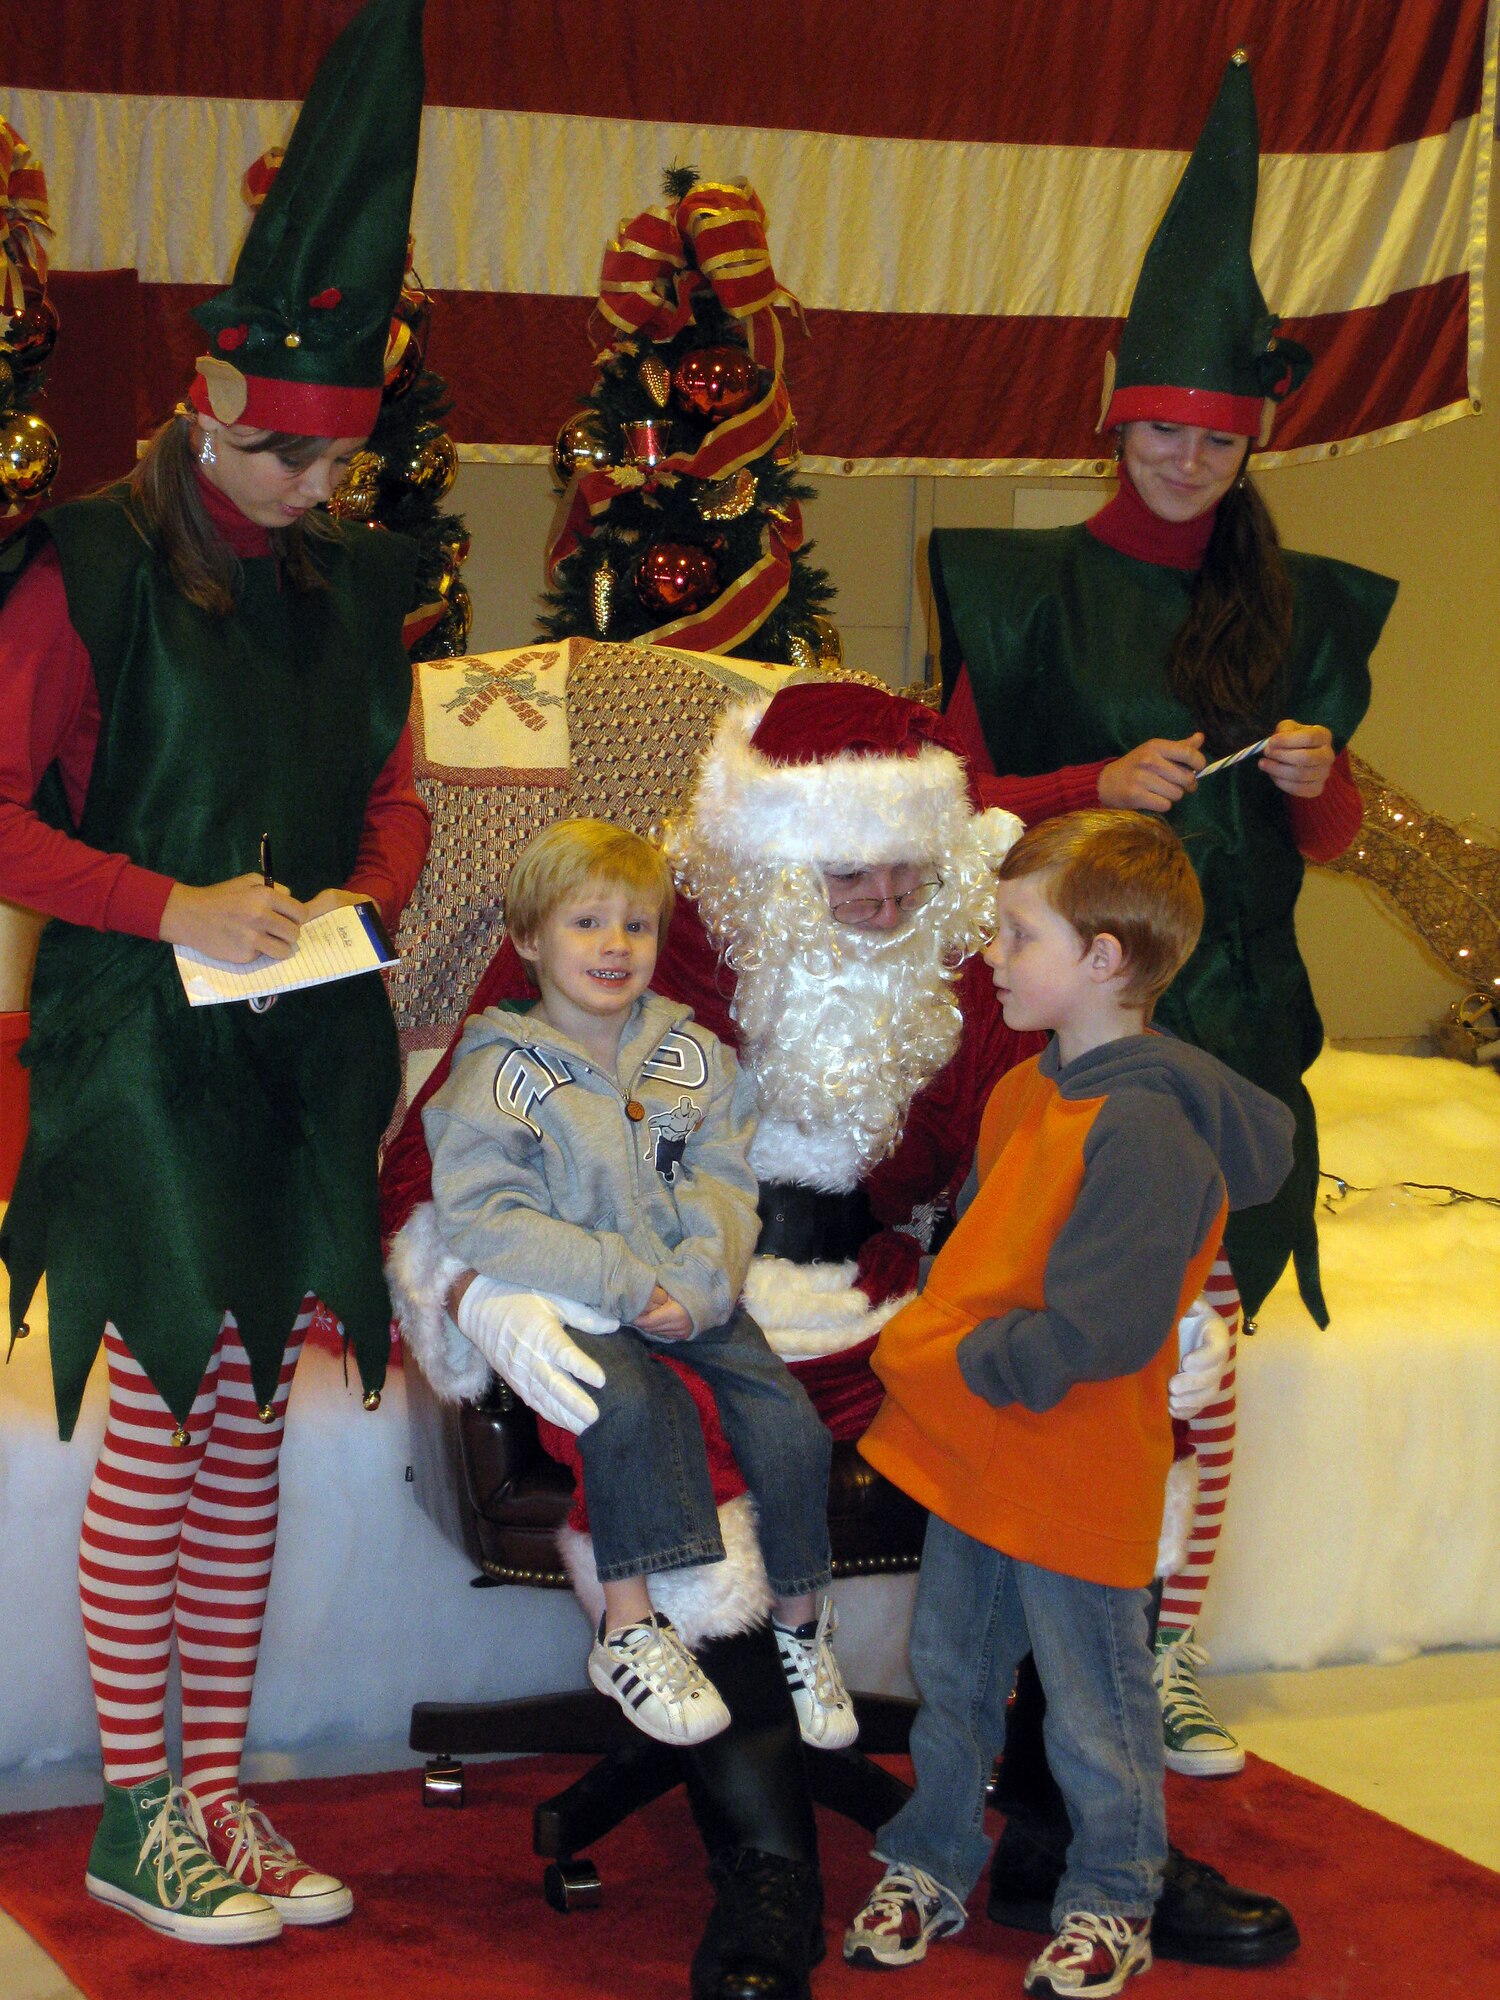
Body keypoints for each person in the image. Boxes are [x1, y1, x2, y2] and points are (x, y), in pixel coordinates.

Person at [385, 679, 1287, 2000]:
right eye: (845, 874)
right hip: (677, 1303)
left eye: (907, 872)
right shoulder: (638, 943)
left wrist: (1169, 1303)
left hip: (896, 1307)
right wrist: (478, 1301)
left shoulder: (977, 960)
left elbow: (1098, 1144)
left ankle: (1065, 1842)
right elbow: (431, 1171)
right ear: (764, 863)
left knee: (1090, 1438)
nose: (883, 905)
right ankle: (768, 1867)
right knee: (713, 1477)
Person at [0, 0, 430, 1944]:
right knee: (170, 1400)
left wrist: (359, 890)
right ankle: (128, 1810)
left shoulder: (358, 587)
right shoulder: (79, 566)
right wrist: (170, 904)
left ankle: (216, 1784)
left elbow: (399, 796)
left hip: (296, 1049)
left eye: (325, 469)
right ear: (199, 386)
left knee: (253, 1405)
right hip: (138, 1056)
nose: (291, 496)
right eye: (264, 456)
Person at [929, 51, 1398, 1782]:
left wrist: (1309, 786)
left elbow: (1335, 834)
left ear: (1250, 436)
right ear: (1113, 418)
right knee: (1065, 1332)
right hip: (1070, 1038)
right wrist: (1082, 792)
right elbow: (962, 814)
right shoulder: (1026, 588)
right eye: (1163, 431)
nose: (1189, 461)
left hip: (1238, 1021)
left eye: (1219, 437)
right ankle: (1047, 1641)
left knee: (1207, 1355)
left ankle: (1164, 1650)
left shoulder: (1300, 608)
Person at [844, 811, 1292, 1998]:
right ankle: (932, 1857)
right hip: (975, 1458)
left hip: (1076, 1464)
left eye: (1016, 931)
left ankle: (1113, 1893)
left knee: (1098, 1708)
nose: (991, 951)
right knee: (951, 1676)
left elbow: (1094, 1333)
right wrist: (946, 1341)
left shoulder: (1146, 1125)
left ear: (1104, 958)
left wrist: (940, 1353)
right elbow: (979, 1259)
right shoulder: (1020, 1093)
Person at [423, 819, 856, 1751]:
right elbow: (479, 1215)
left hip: (695, 1292)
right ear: (529, 940)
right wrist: (623, 1284)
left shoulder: (695, 1057)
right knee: (622, 1406)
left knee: (789, 1421)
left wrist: (700, 1285)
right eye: (586, 923)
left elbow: (727, 1185)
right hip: (581, 1298)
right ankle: (627, 1627)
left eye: (636, 926)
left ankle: (802, 1619)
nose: (615, 946)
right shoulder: (498, 1073)